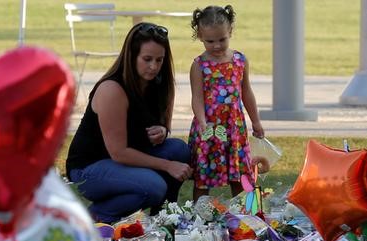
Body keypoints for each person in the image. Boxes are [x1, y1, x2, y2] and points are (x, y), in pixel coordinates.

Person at [66, 22, 192, 224]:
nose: (154, 66)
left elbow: (162, 125)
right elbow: (119, 152)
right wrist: (168, 165)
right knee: (154, 186)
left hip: (123, 160)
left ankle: (165, 220)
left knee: (179, 150)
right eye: (147, 59)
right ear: (131, 56)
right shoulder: (112, 89)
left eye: (159, 60)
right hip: (89, 169)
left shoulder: (158, 82)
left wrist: (162, 130)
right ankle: (95, 216)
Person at [188, 5, 264, 203]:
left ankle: (247, 215)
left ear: (230, 31)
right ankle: (199, 217)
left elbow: (246, 92)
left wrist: (256, 122)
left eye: (222, 39)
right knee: (203, 178)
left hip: (234, 128)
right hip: (208, 128)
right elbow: (197, 98)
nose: (216, 45)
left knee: (240, 173)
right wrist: (203, 122)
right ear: (200, 37)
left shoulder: (240, 60)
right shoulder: (199, 65)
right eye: (209, 41)